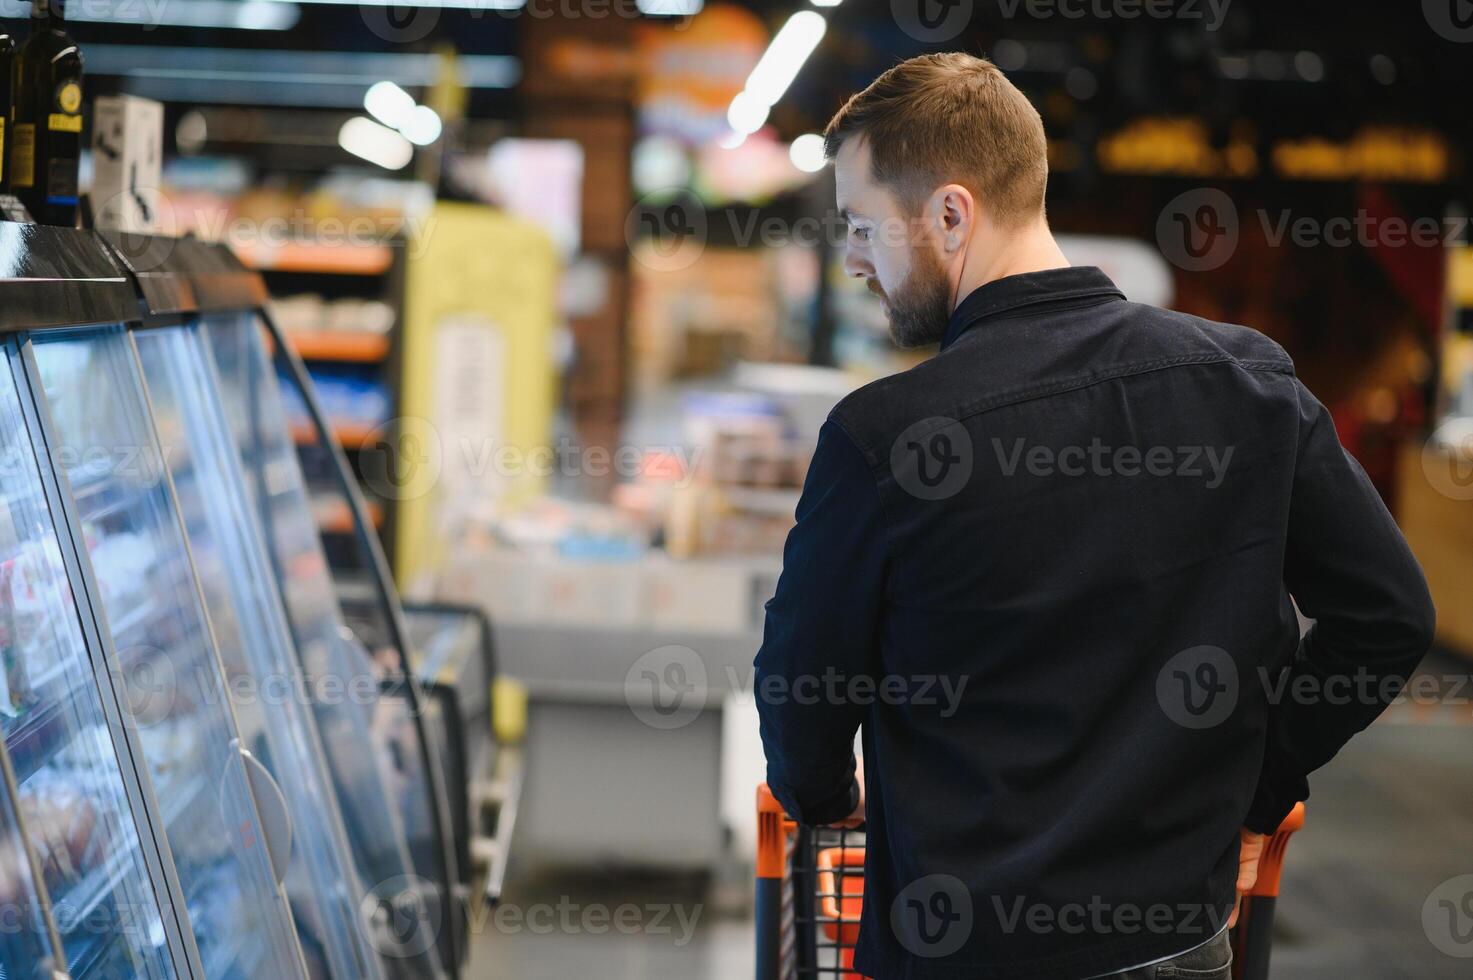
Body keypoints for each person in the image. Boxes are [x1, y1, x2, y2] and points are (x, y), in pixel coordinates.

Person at [754, 52, 1435, 980]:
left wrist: (825, 795)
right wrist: (1256, 785)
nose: (855, 259)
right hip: (1175, 938)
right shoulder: (1248, 386)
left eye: (864, 225)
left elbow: (803, 689)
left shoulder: (885, 437)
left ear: (951, 214)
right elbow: (1386, 617)